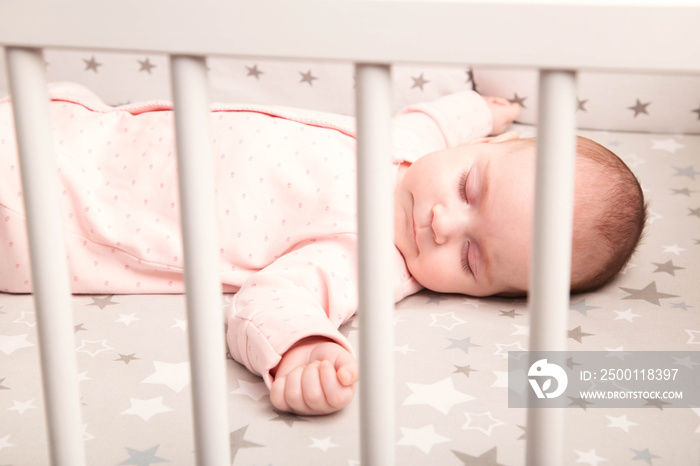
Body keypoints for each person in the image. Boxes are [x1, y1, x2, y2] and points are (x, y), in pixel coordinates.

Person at [0, 82, 645, 416]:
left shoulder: (366, 259)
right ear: (480, 154)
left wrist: (304, 345)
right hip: (77, 128)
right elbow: (438, 122)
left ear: (494, 295)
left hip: (53, 217)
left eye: (473, 260)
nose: (445, 225)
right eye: (470, 186)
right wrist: (481, 107)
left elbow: (274, 298)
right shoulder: (407, 144)